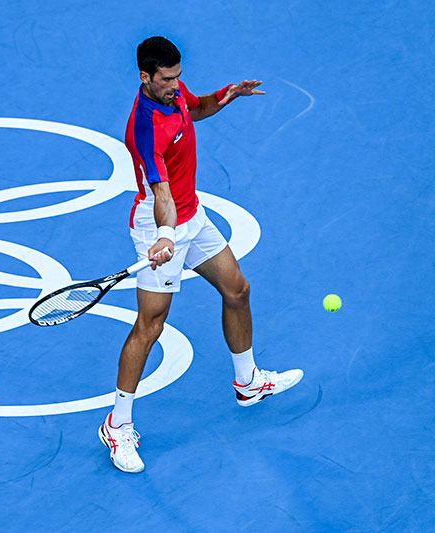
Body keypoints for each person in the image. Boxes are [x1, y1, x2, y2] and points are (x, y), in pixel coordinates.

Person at [98, 36, 303, 473]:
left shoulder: (174, 94)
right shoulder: (144, 127)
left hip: (193, 218)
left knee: (237, 290)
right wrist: (166, 234)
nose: (176, 85)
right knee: (150, 324)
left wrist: (225, 97)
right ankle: (117, 425)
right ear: (145, 78)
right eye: (168, 79)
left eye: (178, 77)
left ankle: (247, 382)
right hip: (160, 226)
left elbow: (196, 108)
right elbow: (161, 195)